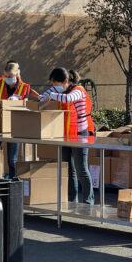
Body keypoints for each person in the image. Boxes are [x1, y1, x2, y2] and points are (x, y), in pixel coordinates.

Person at [0, 61, 39, 178]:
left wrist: (18, 98)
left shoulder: (24, 87)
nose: (7, 78)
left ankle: (13, 182)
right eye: (6, 75)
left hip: (14, 127)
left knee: (12, 160)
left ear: (17, 74)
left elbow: (32, 96)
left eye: (10, 76)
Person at [41, 68, 95, 205]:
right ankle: (72, 199)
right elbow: (44, 96)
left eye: (56, 84)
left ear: (65, 81)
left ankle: (89, 201)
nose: (54, 87)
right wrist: (42, 98)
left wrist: (51, 95)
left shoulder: (79, 90)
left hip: (81, 133)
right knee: (68, 169)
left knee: (81, 168)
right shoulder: (60, 90)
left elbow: (67, 98)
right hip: (65, 134)